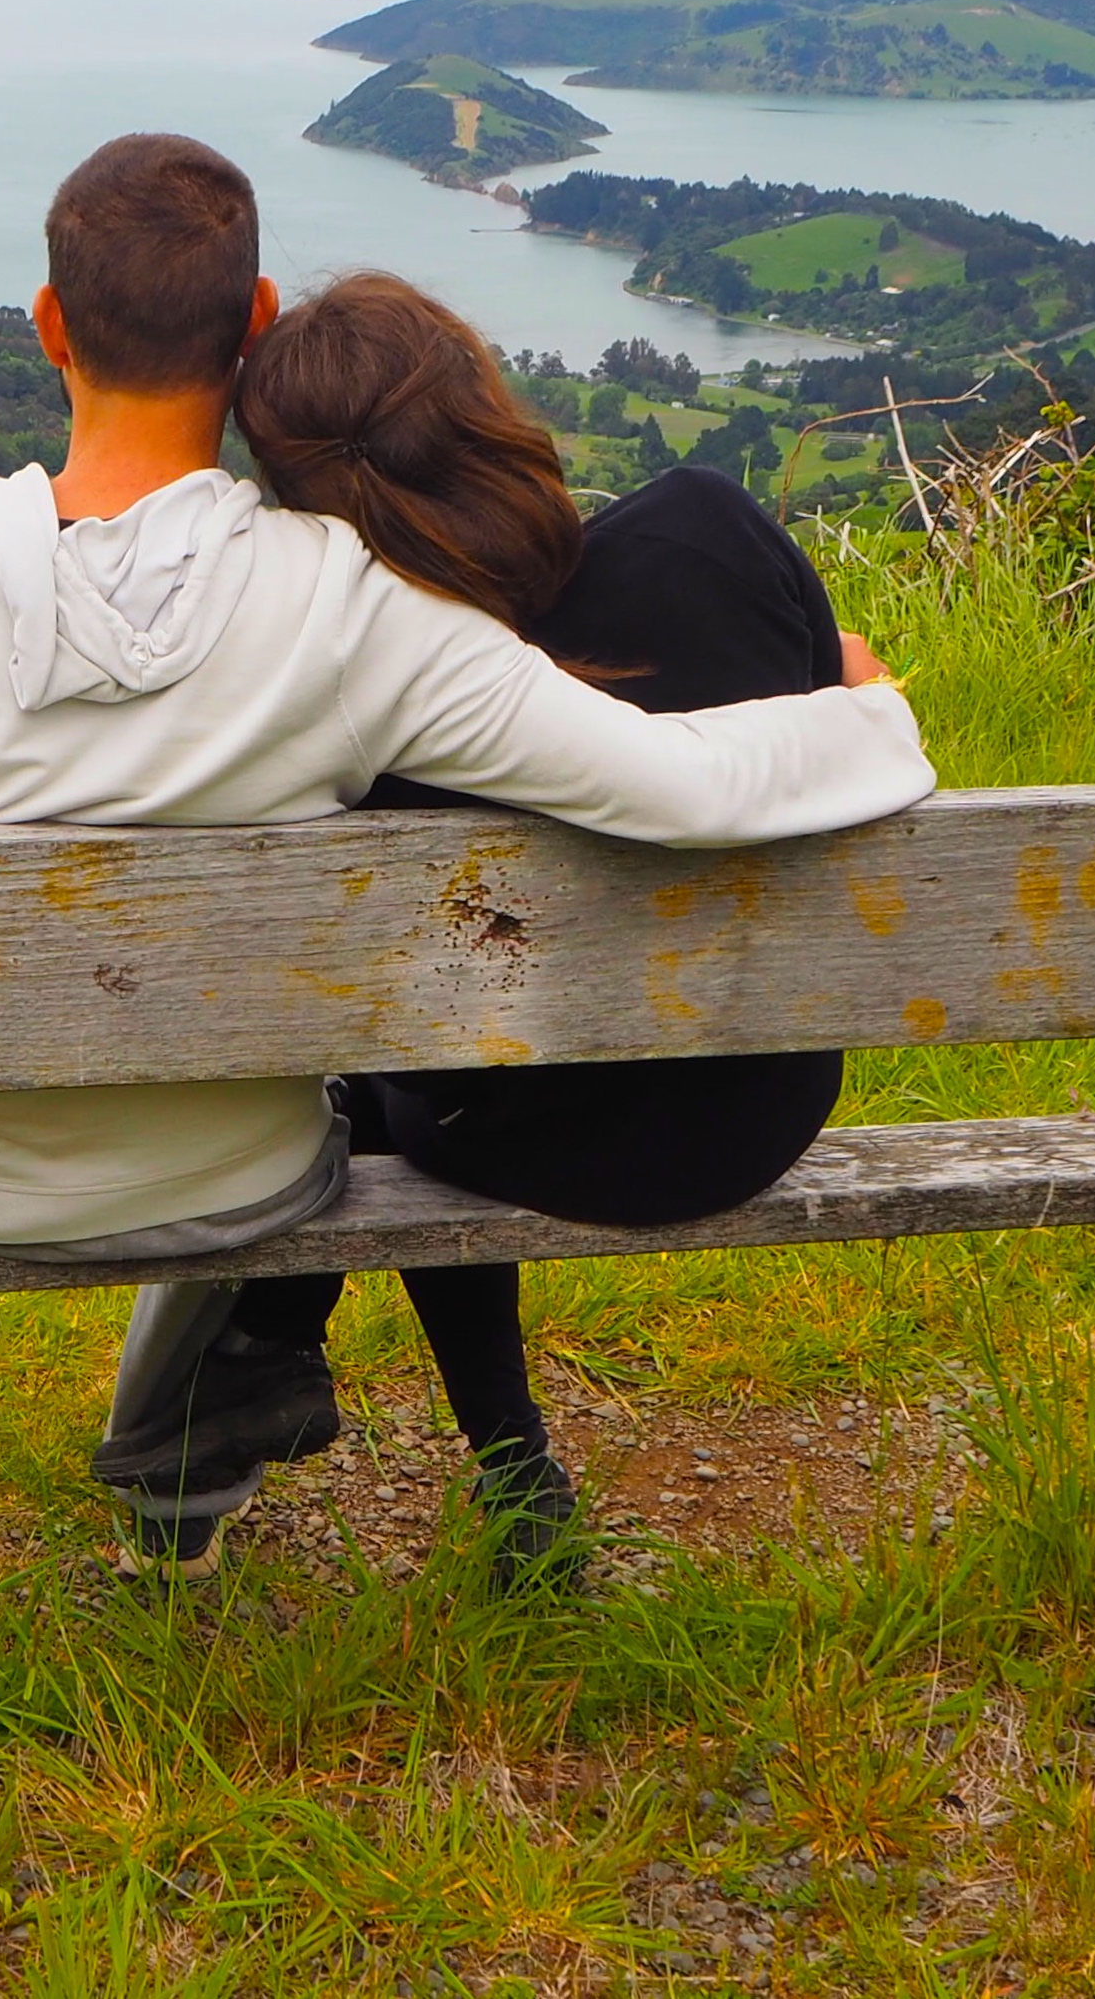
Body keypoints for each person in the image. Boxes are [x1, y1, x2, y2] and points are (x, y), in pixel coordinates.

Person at [0, 137, 932, 1579]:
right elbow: (681, 782)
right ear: (252, 323)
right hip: (240, 1173)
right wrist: (869, 717)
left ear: (49, 324)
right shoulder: (365, 613)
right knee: (244, 1106)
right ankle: (172, 1511)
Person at [205, 271, 865, 1581]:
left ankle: (473, 1441)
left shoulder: (394, 695)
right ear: (483, 402)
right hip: (759, 1101)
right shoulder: (711, 531)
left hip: (517, 1138)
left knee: (386, 1074)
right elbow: (843, 691)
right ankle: (286, 1352)